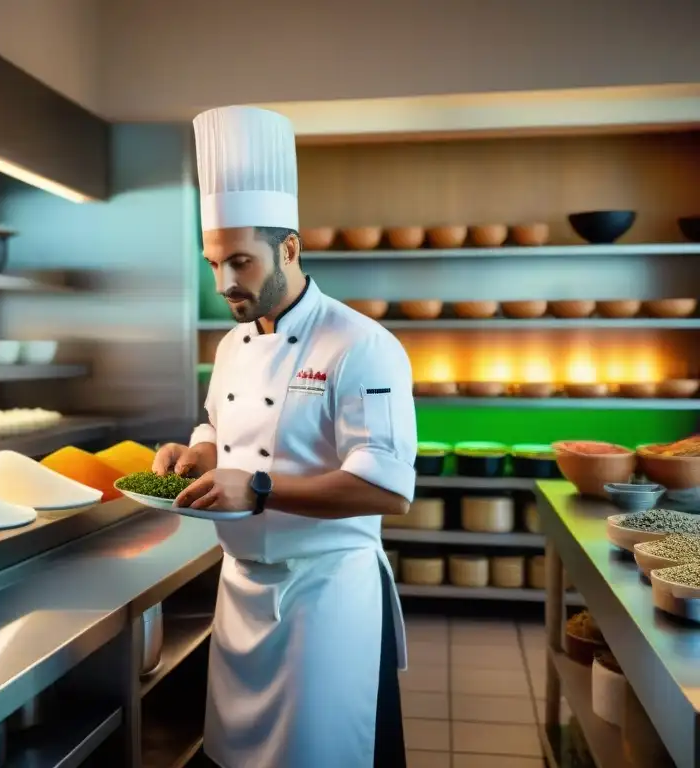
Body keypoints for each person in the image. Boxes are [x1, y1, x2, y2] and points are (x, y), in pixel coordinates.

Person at [152, 105, 417, 768]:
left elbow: (387, 490)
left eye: (240, 262)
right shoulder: (234, 343)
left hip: (324, 600)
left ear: (290, 249)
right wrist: (200, 452)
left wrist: (262, 488)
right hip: (240, 590)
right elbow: (218, 421)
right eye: (213, 263)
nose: (223, 285)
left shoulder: (363, 346)